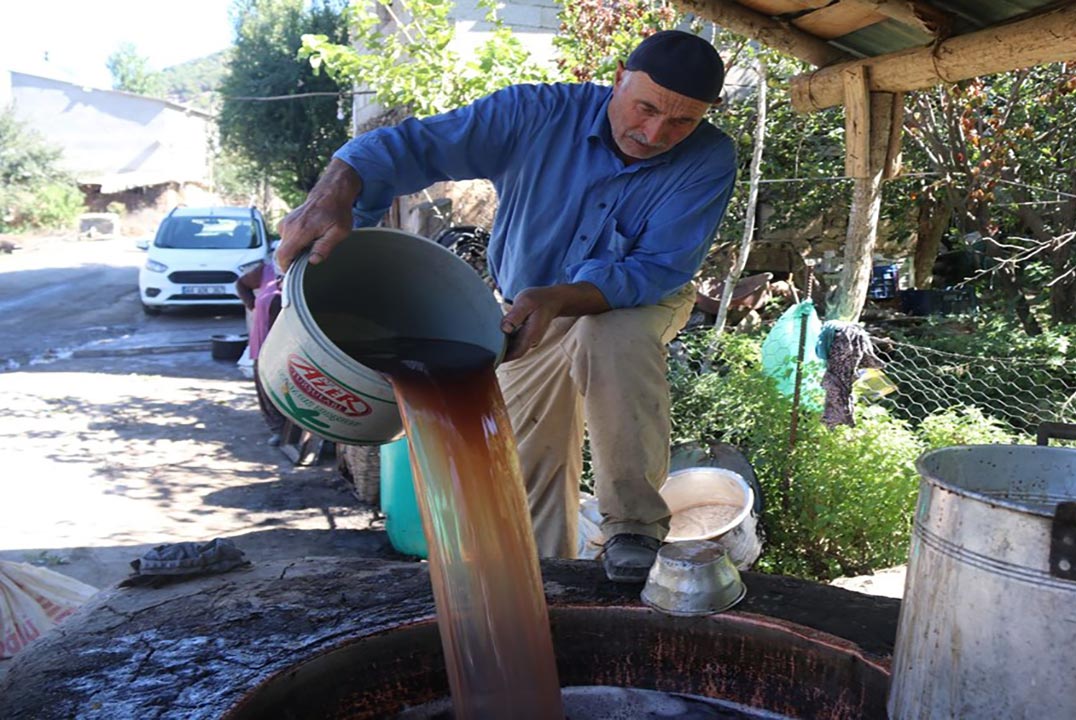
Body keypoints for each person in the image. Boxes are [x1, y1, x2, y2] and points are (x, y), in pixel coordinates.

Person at [275, 30, 737, 582]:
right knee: (523, 477)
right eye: (646, 108)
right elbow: (414, 146)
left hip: (638, 299)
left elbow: (654, 268)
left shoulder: (709, 158)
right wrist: (334, 189)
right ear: (618, 78)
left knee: (612, 337)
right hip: (527, 309)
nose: (655, 133)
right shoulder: (534, 113)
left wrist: (562, 297)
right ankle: (545, 587)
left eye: (682, 122)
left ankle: (633, 526)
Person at [234, 259, 286, 445]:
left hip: (291, 344)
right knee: (265, 386)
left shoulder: (304, 274)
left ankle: (296, 431)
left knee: (290, 387)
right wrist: (253, 305)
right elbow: (241, 284)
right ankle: (277, 429)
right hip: (263, 340)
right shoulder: (267, 271)